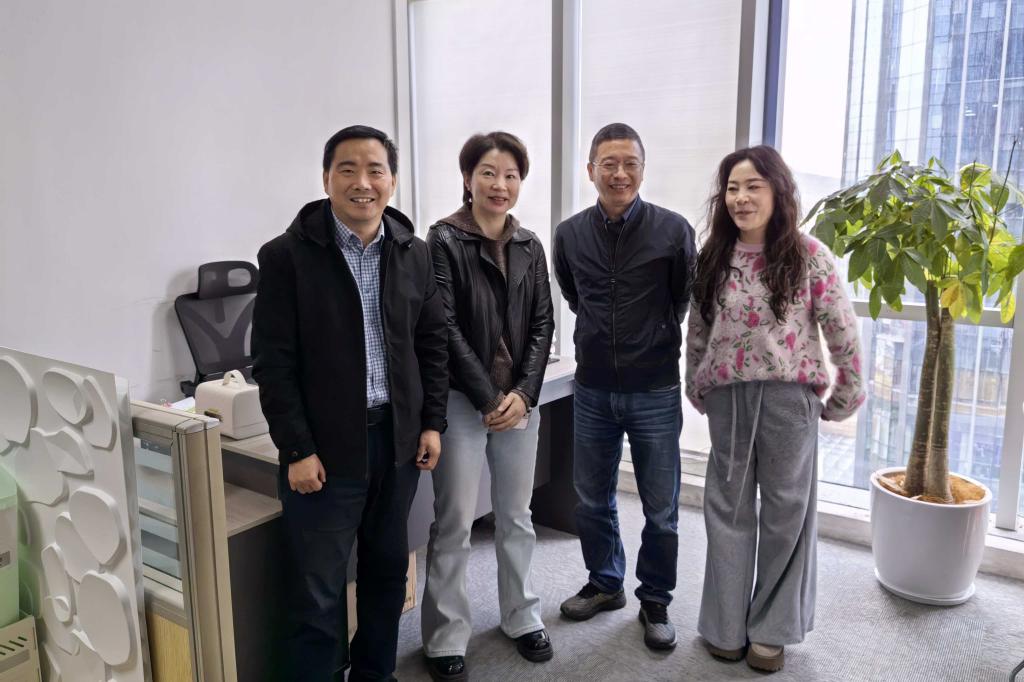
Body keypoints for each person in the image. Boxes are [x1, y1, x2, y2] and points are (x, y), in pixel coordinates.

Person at [252, 125, 448, 682]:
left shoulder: (413, 253)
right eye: (348, 169)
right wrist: (297, 448)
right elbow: (273, 363)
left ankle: (374, 675)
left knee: (386, 575)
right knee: (318, 590)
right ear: (326, 179)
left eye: (375, 170)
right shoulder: (287, 257)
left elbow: (431, 343)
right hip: (325, 450)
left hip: (396, 444)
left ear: (392, 181)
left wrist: (431, 423)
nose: (363, 182)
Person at [685, 145, 865, 673]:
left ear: (777, 191)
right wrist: (695, 384)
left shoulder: (809, 255)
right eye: (732, 189)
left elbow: (842, 330)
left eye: (753, 186)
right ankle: (725, 628)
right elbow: (698, 329)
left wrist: (846, 395)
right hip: (728, 399)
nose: (740, 198)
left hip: (789, 401)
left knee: (786, 514)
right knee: (727, 509)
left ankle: (770, 632)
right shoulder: (713, 257)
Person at [552, 123, 696, 650]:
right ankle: (605, 582)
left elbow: (681, 299)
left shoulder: (673, 230)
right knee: (591, 498)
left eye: (629, 163)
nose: (619, 173)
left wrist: (652, 336)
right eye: (609, 163)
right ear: (591, 170)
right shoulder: (569, 234)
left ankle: (655, 598)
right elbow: (574, 295)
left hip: (654, 387)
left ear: (642, 169)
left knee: (661, 507)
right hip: (592, 386)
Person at [420, 132, 555, 681]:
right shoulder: (443, 239)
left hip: (518, 403)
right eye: (489, 173)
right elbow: (444, 326)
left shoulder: (530, 244)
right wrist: (488, 396)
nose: (500, 185)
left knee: (517, 515)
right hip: (460, 401)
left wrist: (523, 394)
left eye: (511, 175)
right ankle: (445, 635)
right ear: (468, 178)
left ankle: (522, 616)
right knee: (454, 521)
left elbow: (543, 324)